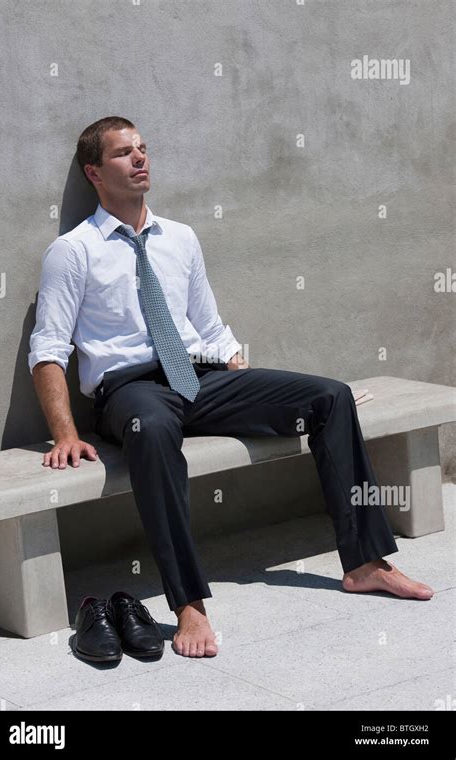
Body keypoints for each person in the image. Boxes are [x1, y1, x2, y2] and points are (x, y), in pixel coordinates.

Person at [28, 116, 434, 659]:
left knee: (330, 396)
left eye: (144, 148)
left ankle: (365, 563)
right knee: (152, 430)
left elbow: (210, 328)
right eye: (125, 153)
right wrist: (63, 434)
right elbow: (48, 350)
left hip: (200, 375)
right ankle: (188, 604)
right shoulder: (74, 251)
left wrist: (250, 385)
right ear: (94, 172)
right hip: (129, 390)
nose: (141, 159)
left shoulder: (180, 238)